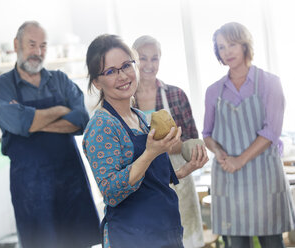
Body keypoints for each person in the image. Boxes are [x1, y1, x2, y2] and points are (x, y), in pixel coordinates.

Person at [82, 34, 208, 248]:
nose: (122, 76)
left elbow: (150, 181)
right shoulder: (101, 127)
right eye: (111, 71)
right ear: (96, 81)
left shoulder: (139, 117)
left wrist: (185, 170)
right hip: (133, 237)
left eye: (126, 65)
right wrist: (150, 152)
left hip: (164, 231)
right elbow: (112, 193)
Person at [0, 21, 100, 248]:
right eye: (32, 45)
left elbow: (81, 119)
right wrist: (60, 110)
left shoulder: (60, 80)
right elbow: (16, 121)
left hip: (71, 183)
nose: (38, 52)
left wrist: (32, 123)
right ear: (16, 44)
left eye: (43, 46)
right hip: (30, 189)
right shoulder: (2, 86)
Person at [203, 22, 295, 248]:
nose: (227, 52)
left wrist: (239, 160)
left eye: (232, 44)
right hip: (228, 179)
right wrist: (219, 152)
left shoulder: (270, 83)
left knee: (272, 241)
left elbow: (271, 130)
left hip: (263, 176)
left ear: (245, 45)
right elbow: (207, 133)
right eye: (221, 47)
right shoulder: (213, 91)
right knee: (236, 244)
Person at [132, 35, 204, 248]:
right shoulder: (125, 99)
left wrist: (179, 145)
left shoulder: (176, 95)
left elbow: (192, 138)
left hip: (179, 182)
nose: (149, 65)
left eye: (154, 59)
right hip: (143, 184)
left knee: (184, 239)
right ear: (133, 61)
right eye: (142, 58)